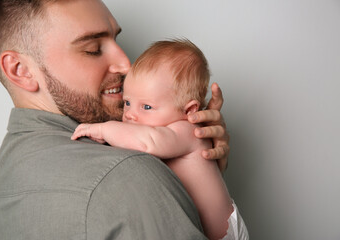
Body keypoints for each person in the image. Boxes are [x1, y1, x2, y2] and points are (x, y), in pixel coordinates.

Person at [0, 0, 231, 239]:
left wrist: (199, 167)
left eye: (116, 39)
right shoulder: (127, 174)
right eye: (93, 50)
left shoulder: (1, 184)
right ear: (19, 70)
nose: (126, 64)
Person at [72, 39, 248, 240]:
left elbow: (147, 142)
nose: (130, 114)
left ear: (189, 110)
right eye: (127, 102)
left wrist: (104, 130)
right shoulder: (161, 128)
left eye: (146, 107)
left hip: (225, 233)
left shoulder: (188, 130)